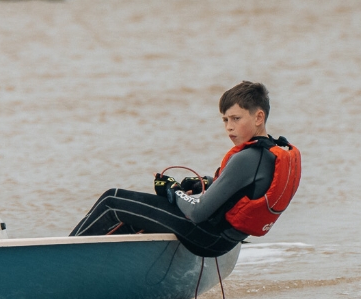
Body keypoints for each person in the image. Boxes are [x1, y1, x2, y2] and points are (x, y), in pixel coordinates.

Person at [70, 81, 301, 257]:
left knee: (112, 200)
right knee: (135, 216)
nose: (229, 127)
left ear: (259, 117)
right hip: (224, 240)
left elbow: (198, 213)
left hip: (206, 237)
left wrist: (173, 191)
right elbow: (245, 188)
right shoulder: (270, 151)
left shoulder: (247, 157)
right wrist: (206, 183)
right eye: (224, 120)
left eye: (235, 118)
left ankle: (63, 256)